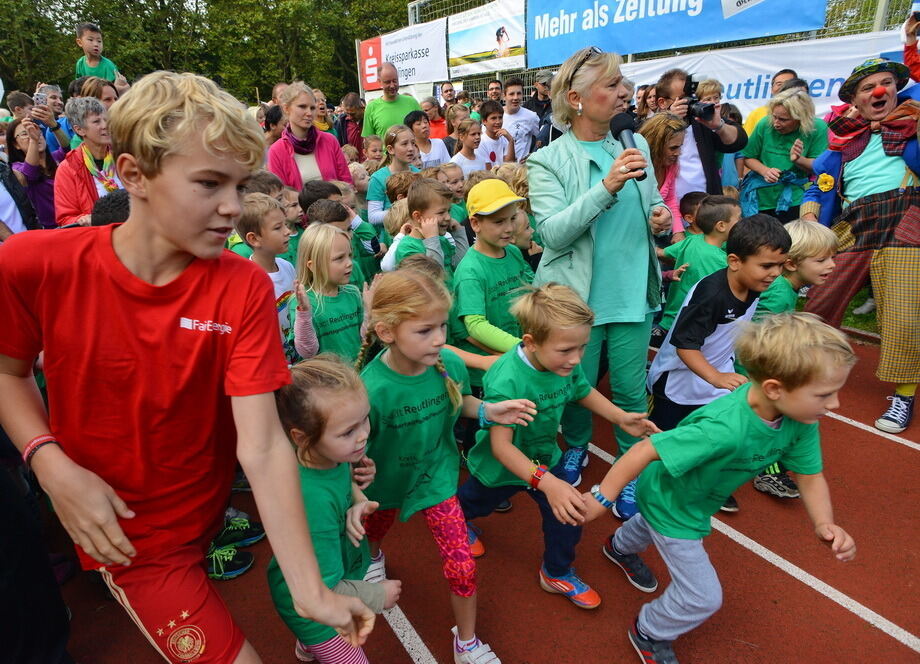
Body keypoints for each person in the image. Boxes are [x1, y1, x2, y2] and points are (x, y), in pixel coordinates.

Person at [0, 70, 373, 664]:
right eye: (208, 183)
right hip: (134, 539)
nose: (232, 206)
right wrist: (51, 465)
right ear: (133, 175)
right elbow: (8, 372)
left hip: (207, 513)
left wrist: (311, 589)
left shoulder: (243, 286)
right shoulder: (32, 264)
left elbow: (264, 444)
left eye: (237, 183)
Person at [585, 312, 857, 664]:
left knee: (648, 523)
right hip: (672, 504)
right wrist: (602, 498)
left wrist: (824, 523)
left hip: (690, 497)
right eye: (824, 395)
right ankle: (649, 631)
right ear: (774, 388)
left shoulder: (799, 419)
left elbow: (808, 474)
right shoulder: (723, 429)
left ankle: (619, 547)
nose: (834, 405)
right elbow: (645, 449)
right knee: (703, 597)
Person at [355, 269, 535, 664]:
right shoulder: (370, 390)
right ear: (386, 332)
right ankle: (373, 556)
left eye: (441, 326)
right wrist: (356, 475)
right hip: (386, 484)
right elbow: (355, 448)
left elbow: (460, 402)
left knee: (463, 565)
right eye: (424, 330)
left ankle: (466, 643)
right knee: (375, 528)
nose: (439, 338)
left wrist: (488, 410)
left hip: (436, 479)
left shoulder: (447, 363)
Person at [526, 46, 671, 510]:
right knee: (574, 388)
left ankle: (629, 472)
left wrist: (660, 213)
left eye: (622, 82)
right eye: (611, 84)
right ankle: (575, 447)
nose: (624, 91)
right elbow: (551, 233)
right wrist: (606, 187)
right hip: (575, 298)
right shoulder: (546, 160)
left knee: (630, 391)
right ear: (576, 98)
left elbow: (649, 203)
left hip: (631, 289)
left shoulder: (636, 142)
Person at [460, 283, 658, 610]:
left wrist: (620, 417)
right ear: (531, 343)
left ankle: (556, 571)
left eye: (582, 347)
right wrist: (547, 483)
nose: (576, 358)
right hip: (501, 469)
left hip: (544, 459)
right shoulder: (507, 379)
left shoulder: (566, 361)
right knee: (473, 503)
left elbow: (581, 391)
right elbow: (502, 448)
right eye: (567, 350)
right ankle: (456, 521)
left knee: (568, 515)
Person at [801, 57, 920, 434]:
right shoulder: (841, 143)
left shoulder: (914, 126)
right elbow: (816, 184)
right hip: (855, 222)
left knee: (903, 314)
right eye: (868, 87)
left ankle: (904, 393)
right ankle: (805, 369)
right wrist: (809, 216)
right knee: (820, 299)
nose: (879, 91)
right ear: (854, 99)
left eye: (886, 83)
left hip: (905, 220)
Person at [647, 214, 790, 512]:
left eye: (780, 265)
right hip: (677, 380)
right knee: (663, 439)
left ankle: (703, 483)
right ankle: (645, 484)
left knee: (716, 436)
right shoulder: (711, 294)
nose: (775, 273)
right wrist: (715, 377)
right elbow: (685, 346)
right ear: (735, 261)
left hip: (716, 375)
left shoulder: (754, 286)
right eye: (767, 266)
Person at [268, 356, 400, 664]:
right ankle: (313, 642)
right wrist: (377, 595)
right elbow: (323, 589)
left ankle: (306, 647)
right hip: (313, 607)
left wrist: (357, 497)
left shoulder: (323, 453)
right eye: (347, 432)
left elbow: (340, 477)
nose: (364, 435)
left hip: (324, 574)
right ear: (301, 438)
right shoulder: (311, 501)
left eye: (365, 419)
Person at [751, 219, 837, 498]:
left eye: (832, 258)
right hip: (753, 372)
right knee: (781, 414)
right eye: (822, 259)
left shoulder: (783, 288)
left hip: (760, 369)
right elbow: (759, 337)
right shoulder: (778, 293)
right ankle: (768, 471)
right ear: (791, 263)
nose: (832, 265)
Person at [450, 179, 531, 391]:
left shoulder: (513, 252)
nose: (510, 228)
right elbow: (475, 325)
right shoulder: (471, 271)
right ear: (475, 224)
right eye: (499, 222)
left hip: (518, 360)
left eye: (512, 219)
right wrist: (521, 348)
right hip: (488, 375)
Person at [657, 195, 741, 335]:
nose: (741, 222)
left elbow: (662, 253)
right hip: (691, 324)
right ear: (721, 226)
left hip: (669, 320)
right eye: (738, 219)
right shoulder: (722, 261)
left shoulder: (691, 241)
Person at [655, 69, 747, 197]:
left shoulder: (702, 120)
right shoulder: (652, 126)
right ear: (662, 102)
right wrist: (669, 120)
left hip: (705, 203)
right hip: (668, 205)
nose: (689, 104)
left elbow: (739, 141)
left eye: (693, 99)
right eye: (682, 99)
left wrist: (719, 126)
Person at [741, 89, 828, 222]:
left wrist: (799, 160)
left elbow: (818, 167)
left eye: (783, 119)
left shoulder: (817, 128)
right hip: (762, 197)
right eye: (774, 116)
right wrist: (765, 171)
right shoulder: (765, 123)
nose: (776, 123)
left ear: (801, 118)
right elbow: (748, 156)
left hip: (795, 197)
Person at [234, 193, 296, 357]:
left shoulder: (287, 267)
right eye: (278, 228)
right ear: (254, 239)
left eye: (285, 225)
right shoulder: (248, 283)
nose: (287, 231)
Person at [292, 223, 364, 362]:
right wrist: (304, 312)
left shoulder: (353, 293)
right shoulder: (303, 302)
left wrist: (369, 312)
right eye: (339, 258)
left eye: (350, 255)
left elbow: (364, 339)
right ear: (313, 266)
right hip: (328, 380)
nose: (349, 263)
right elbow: (307, 352)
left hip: (357, 376)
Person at [267, 82, 352, 187]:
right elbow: (281, 196)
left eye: (312, 108)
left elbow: (347, 183)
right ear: (286, 108)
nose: (309, 113)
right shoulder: (276, 151)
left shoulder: (330, 141)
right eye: (302, 107)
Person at [53, 96, 121, 226]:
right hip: (99, 238)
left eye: (106, 119)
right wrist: (84, 219)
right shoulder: (68, 169)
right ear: (79, 129)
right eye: (96, 122)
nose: (105, 125)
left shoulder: (123, 153)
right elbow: (65, 218)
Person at [394, 178, 469, 285]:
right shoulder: (407, 248)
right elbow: (434, 281)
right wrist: (432, 240)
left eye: (449, 211)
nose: (448, 217)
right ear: (418, 216)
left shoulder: (441, 240)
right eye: (441, 212)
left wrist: (458, 233)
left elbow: (460, 266)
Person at [7, 118, 66, 229]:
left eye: (35, 130)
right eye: (25, 133)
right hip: (51, 231)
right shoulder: (17, 169)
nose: (33, 134)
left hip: (73, 222)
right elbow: (29, 174)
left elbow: (67, 149)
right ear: (16, 145)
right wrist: (33, 140)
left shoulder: (56, 158)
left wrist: (54, 125)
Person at [639, 113, 689, 242]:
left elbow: (670, 199)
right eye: (673, 148)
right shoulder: (636, 166)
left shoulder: (670, 165)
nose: (678, 153)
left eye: (680, 146)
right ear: (655, 145)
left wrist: (678, 231)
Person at [366, 124, 419, 227]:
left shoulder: (418, 174)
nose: (411, 148)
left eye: (413, 143)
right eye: (404, 144)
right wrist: (404, 209)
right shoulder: (378, 178)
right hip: (391, 238)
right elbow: (373, 217)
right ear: (390, 149)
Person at [362, 63, 421, 139]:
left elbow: (422, 133)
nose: (392, 85)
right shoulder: (371, 107)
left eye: (395, 81)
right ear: (379, 81)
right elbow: (368, 140)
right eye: (387, 82)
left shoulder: (412, 102)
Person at [73, 22, 127, 93]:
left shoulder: (108, 65)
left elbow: (111, 91)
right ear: (79, 42)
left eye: (99, 41)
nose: (96, 44)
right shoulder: (80, 63)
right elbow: (79, 87)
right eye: (90, 40)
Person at [743, 68, 798, 135]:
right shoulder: (756, 113)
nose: (783, 87)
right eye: (779, 84)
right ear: (772, 89)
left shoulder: (803, 114)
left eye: (787, 83)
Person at [501, 77, 540, 162]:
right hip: (499, 171)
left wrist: (532, 155)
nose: (515, 97)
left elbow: (541, 140)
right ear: (504, 96)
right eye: (511, 94)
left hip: (520, 171)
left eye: (519, 93)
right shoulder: (496, 115)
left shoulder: (531, 117)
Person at [476, 101, 515, 167]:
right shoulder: (481, 142)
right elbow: (488, 171)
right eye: (493, 118)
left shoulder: (505, 139)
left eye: (500, 117)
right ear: (484, 121)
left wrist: (511, 141)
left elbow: (509, 165)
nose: (498, 122)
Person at [335, 92, 365, 160]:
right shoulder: (341, 122)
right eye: (347, 113)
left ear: (361, 109)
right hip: (350, 164)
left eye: (353, 114)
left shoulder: (369, 119)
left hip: (369, 163)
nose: (349, 117)